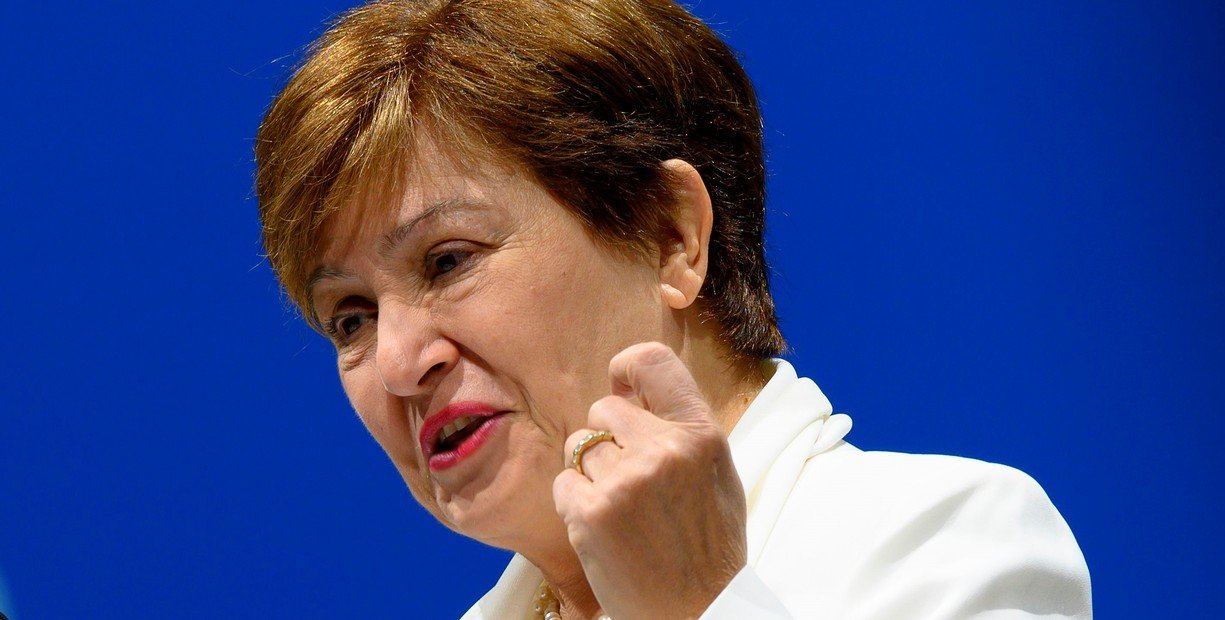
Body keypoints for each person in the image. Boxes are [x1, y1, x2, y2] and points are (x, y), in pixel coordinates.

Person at [254, 0, 1092, 617]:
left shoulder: (951, 547)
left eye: (448, 261)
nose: (400, 363)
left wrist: (696, 608)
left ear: (669, 236)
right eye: (351, 318)